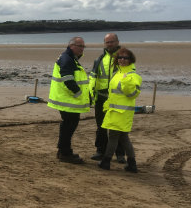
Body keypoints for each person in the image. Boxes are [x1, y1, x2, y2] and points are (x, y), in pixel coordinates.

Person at [47, 36, 90, 164]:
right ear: (72, 46)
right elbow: (68, 78)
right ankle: (65, 152)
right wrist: (78, 93)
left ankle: (64, 150)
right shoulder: (67, 58)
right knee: (69, 125)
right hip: (68, 100)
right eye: (80, 46)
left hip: (67, 100)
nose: (82, 49)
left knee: (68, 125)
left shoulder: (70, 58)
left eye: (83, 46)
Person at [98, 48, 141, 173]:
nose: (122, 60)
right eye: (120, 57)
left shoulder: (133, 76)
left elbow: (132, 94)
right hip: (113, 110)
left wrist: (127, 82)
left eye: (125, 58)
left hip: (123, 112)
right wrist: (107, 105)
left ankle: (106, 162)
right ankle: (132, 164)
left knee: (114, 137)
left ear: (130, 60)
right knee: (123, 138)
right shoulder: (117, 73)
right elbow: (112, 93)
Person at [89, 33, 126, 163]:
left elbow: (130, 77)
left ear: (117, 42)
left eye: (112, 42)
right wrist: (91, 93)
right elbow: (93, 77)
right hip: (101, 98)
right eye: (107, 42)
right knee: (101, 127)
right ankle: (100, 151)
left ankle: (120, 154)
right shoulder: (99, 59)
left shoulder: (124, 58)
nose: (109, 44)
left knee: (117, 127)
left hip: (118, 98)